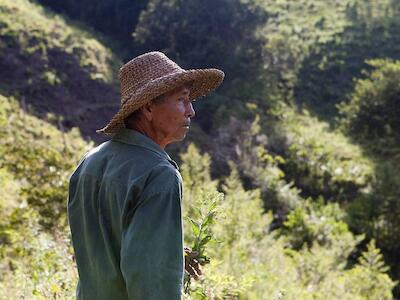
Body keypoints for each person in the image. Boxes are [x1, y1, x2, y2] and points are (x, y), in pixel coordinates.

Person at [68, 51, 224, 299]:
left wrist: (168, 250)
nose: (191, 111)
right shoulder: (159, 174)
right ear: (149, 106)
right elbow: (153, 283)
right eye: (182, 99)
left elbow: (105, 250)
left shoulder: (90, 163)